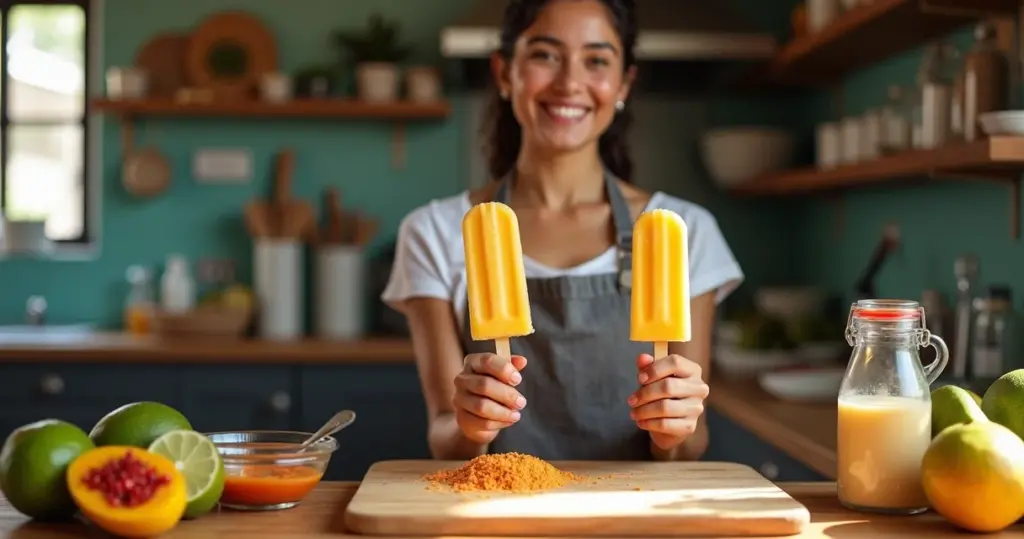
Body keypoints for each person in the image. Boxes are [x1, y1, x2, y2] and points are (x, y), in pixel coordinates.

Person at [382, 0, 744, 462]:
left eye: (596, 60)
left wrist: (674, 432)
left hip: (636, 520)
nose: (569, 83)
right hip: (498, 522)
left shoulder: (686, 231)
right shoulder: (434, 232)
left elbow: (693, 442)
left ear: (624, 83)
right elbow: (443, 436)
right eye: (544, 55)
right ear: (504, 72)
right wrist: (471, 427)